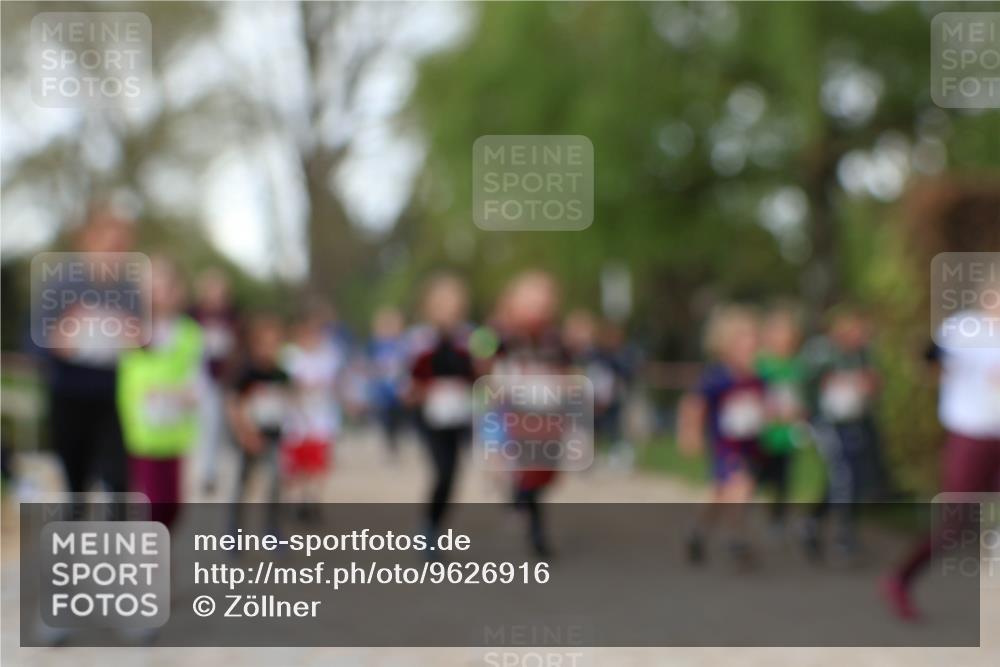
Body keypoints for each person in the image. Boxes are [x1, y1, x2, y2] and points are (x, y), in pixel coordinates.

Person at [882, 286, 1000, 620]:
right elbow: (929, 364)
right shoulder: (962, 329)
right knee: (955, 523)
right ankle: (900, 578)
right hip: (971, 437)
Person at [35, 204, 140, 496]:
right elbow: (34, 338)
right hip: (69, 394)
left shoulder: (129, 291)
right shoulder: (61, 285)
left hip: (114, 396)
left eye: (121, 247)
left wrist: (137, 339)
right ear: (89, 242)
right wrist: (57, 340)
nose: (115, 253)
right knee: (76, 481)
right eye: (109, 245)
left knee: (117, 479)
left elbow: (145, 344)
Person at [116, 256, 202, 528]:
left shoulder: (190, 333)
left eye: (165, 286)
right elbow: (130, 373)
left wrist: (185, 393)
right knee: (152, 499)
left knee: (172, 503)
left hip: (175, 429)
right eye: (152, 286)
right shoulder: (133, 329)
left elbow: (197, 376)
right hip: (143, 430)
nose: (159, 293)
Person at [490, 270, 572, 557]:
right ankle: (536, 530)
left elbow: (566, 372)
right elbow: (486, 363)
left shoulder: (556, 340)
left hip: (548, 412)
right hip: (518, 412)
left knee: (544, 472)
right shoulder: (503, 338)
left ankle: (521, 496)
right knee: (528, 466)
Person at [677, 304, 766, 566]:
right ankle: (736, 539)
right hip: (725, 447)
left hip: (749, 445)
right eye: (742, 339)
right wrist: (690, 433)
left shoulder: (757, 377)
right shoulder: (718, 377)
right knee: (741, 485)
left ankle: (697, 532)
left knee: (719, 495)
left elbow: (764, 406)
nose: (750, 344)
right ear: (725, 345)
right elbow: (693, 404)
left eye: (753, 338)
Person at [801, 305, 884, 562]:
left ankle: (814, 523)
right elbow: (803, 382)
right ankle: (843, 535)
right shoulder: (821, 352)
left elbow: (874, 384)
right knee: (843, 474)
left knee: (848, 477)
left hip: (854, 423)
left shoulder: (863, 355)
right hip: (827, 423)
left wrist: (870, 385)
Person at [408, 275, 475, 546]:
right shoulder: (419, 339)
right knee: (443, 471)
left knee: (453, 476)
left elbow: (480, 372)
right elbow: (407, 381)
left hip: (458, 415)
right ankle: (429, 528)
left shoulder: (469, 338)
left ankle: (434, 525)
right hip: (430, 417)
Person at [227, 314, 291, 535]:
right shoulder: (247, 374)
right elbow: (234, 405)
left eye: (275, 344)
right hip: (250, 435)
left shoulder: (281, 374)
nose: (270, 350)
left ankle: (272, 529)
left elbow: (286, 402)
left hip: (273, 434)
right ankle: (235, 531)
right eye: (266, 344)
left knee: (275, 483)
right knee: (244, 483)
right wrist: (245, 433)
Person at [281, 303, 344, 517]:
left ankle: (312, 500)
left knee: (317, 463)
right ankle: (297, 499)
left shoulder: (330, 356)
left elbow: (336, 385)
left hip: (321, 418)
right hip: (297, 420)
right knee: (297, 465)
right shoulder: (289, 356)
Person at [755, 303, 807, 536]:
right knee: (758, 476)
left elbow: (802, 397)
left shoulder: (797, 365)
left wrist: (800, 412)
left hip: (787, 434)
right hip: (765, 433)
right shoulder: (762, 364)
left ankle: (778, 520)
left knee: (784, 480)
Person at [188, 268, 241, 495]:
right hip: (199, 375)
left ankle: (217, 470)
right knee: (206, 423)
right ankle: (204, 470)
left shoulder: (232, 316)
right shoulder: (193, 315)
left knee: (221, 425)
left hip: (225, 378)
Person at [367, 306, 410, 460]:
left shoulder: (403, 343)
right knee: (386, 419)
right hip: (382, 390)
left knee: (398, 418)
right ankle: (390, 444)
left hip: (398, 388)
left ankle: (396, 442)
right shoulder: (375, 345)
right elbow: (369, 364)